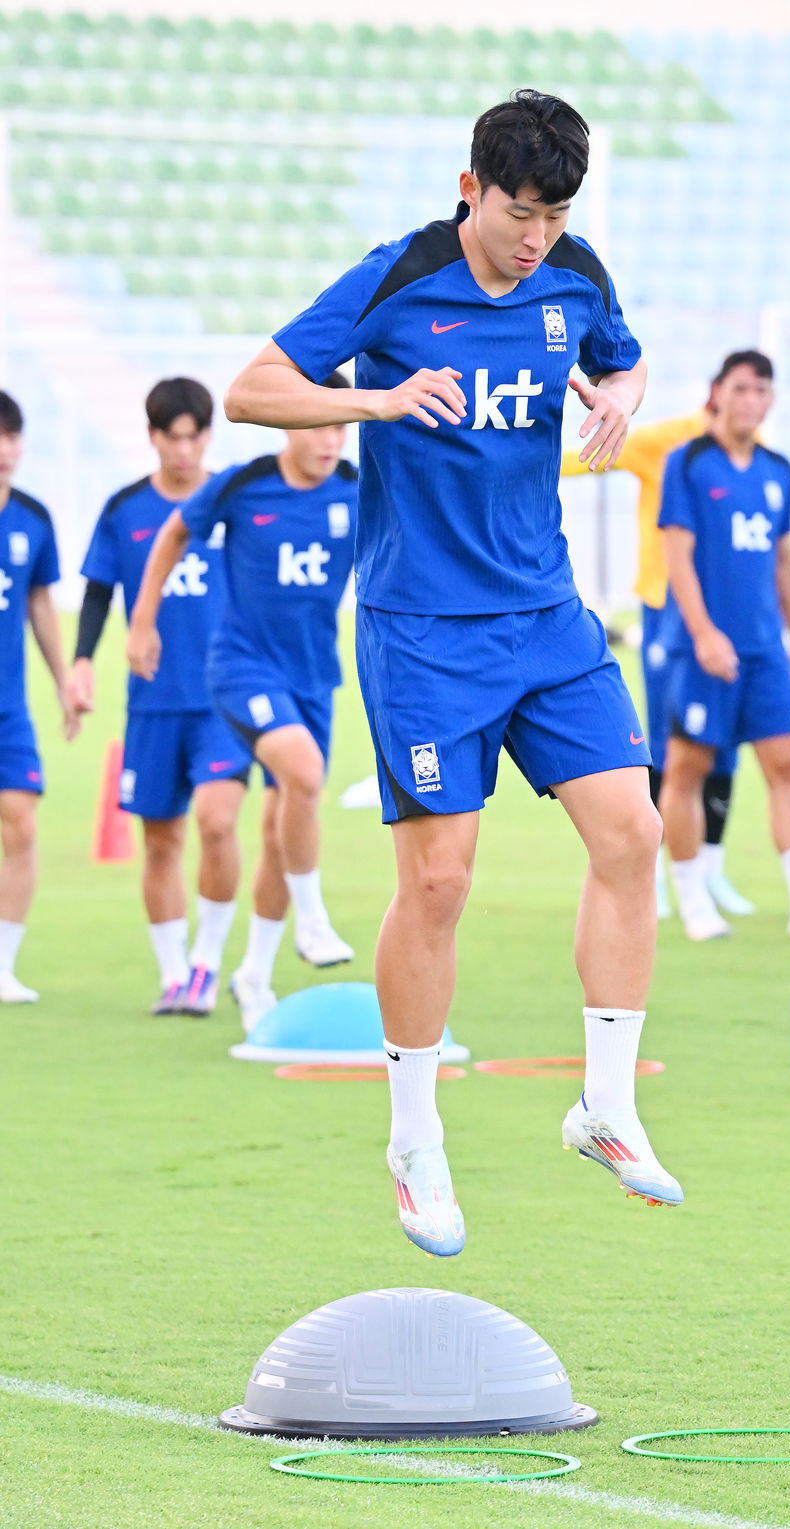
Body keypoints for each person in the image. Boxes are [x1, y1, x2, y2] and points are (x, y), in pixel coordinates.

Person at [223, 88, 683, 1258]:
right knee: (440, 881)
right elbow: (252, 389)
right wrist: (370, 396)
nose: (536, 237)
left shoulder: (576, 274)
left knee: (633, 832)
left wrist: (615, 405)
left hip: (545, 614)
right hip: (421, 627)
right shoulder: (398, 278)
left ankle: (606, 1105)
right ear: (470, 189)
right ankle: (415, 1137)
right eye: (520, 212)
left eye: (557, 213)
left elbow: (622, 363)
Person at [127, 376, 358, 1035]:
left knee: (285, 820)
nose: (329, 439)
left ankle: (253, 971)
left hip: (314, 678)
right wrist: (142, 622)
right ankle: (312, 921)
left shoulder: (357, 492)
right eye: (318, 424)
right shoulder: (241, 484)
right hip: (242, 667)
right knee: (304, 774)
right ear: (289, 422)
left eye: (340, 426)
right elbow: (173, 534)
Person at [70, 378, 249, 1016]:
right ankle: (175, 975)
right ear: (152, 437)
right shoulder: (124, 510)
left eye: (195, 436)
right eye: (171, 437)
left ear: (208, 436)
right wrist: (82, 662)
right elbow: (95, 591)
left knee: (218, 821)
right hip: (152, 700)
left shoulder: (234, 498)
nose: (184, 449)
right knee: (161, 839)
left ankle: (208, 961)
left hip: (224, 698)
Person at [657, 350, 790, 941]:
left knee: (787, 765)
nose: (751, 400)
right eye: (741, 388)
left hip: (765, 651)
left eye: (761, 390)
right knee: (688, 768)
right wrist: (704, 633)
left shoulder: (779, 470)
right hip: (704, 648)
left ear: (771, 399)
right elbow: (675, 554)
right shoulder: (688, 463)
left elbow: (784, 561)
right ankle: (691, 896)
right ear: (718, 393)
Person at [560, 413, 754, 921]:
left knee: (724, 745)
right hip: (668, 608)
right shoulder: (666, 442)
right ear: (717, 396)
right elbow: (581, 460)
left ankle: (711, 869)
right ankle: (657, 873)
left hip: (728, 608)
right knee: (669, 742)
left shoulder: (752, 449)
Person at [0, 390, 79, 1002]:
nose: (5, 450)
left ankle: (2, 964)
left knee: (21, 823)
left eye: (12, 436)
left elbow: (39, 605)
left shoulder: (32, 518)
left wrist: (64, 682)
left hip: (9, 708)